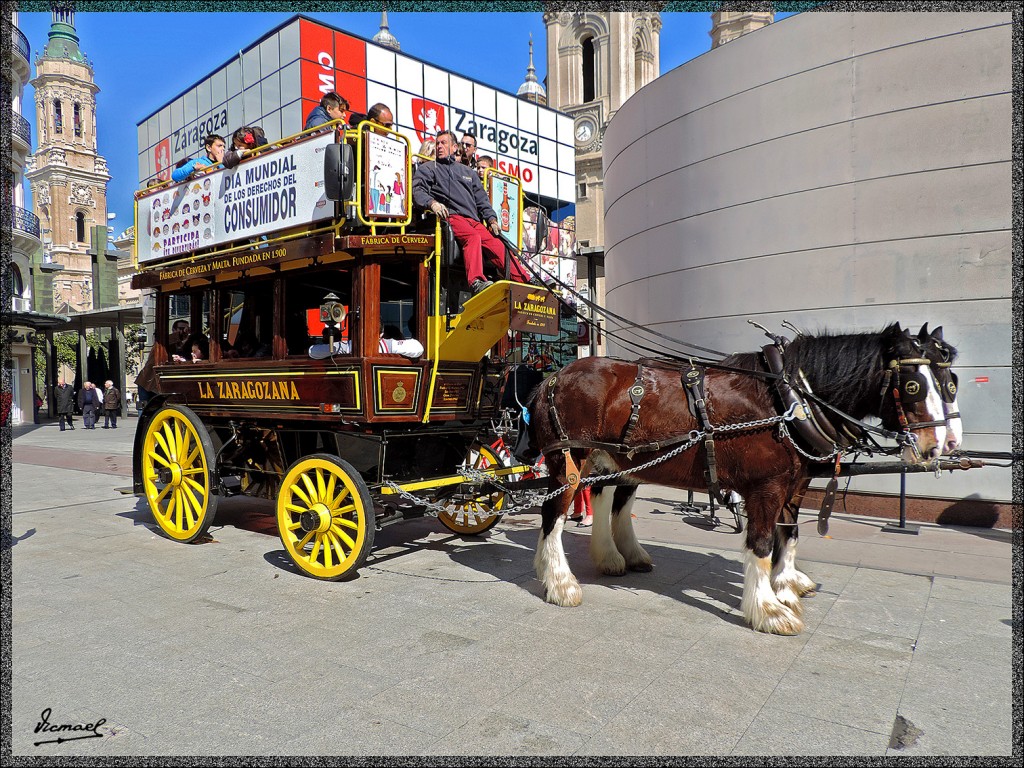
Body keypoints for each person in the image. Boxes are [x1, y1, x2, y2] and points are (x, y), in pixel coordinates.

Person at [412, 130, 531, 294]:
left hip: (473, 220)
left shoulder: (468, 173)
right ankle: (476, 281)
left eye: (443, 143)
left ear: (454, 147)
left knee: (498, 245)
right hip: (452, 216)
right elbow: (418, 190)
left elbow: (481, 200)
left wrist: (492, 220)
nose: (439, 146)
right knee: (472, 238)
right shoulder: (428, 168)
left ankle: (526, 282)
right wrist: (432, 203)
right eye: (437, 143)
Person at [309, 324, 423, 359]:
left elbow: (418, 348)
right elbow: (313, 352)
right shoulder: (349, 346)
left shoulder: (388, 345)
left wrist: (390, 345)